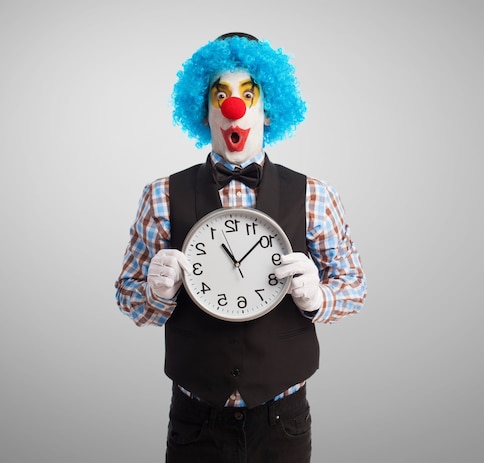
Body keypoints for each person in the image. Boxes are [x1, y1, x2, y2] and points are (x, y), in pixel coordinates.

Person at [115, 32, 367, 463]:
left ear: (268, 112)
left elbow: (355, 286)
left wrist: (317, 296)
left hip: (283, 419)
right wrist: (154, 293)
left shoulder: (315, 195)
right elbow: (127, 296)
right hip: (195, 421)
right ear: (205, 110)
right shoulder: (161, 195)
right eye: (221, 95)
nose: (235, 107)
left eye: (248, 95)